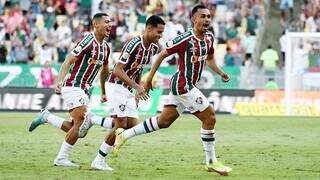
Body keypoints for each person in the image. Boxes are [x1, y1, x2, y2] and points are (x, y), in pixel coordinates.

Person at [114, 5, 232, 176]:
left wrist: (221, 73)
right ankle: (211, 161)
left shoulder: (209, 38)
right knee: (210, 117)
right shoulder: (185, 39)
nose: (207, 20)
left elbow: (210, 59)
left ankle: (124, 135)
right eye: (202, 17)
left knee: (164, 121)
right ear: (194, 19)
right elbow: (161, 55)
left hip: (187, 85)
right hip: (183, 85)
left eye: (208, 17)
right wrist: (148, 79)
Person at [29, 13, 112, 168]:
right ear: (96, 25)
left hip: (86, 90)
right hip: (73, 85)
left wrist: (103, 91)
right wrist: (59, 81)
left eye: (111, 22)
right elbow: (68, 60)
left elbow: (104, 70)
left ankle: (46, 117)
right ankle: (61, 159)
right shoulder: (88, 41)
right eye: (106, 22)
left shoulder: (106, 48)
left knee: (79, 130)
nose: (110, 25)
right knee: (81, 122)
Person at [90, 15, 165, 171]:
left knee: (132, 125)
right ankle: (98, 161)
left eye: (162, 32)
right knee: (120, 125)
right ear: (149, 28)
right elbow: (117, 70)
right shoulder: (133, 44)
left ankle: (92, 119)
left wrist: (136, 90)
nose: (160, 36)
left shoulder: (153, 48)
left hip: (127, 88)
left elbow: (139, 69)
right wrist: (137, 87)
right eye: (158, 32)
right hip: (115, 85)